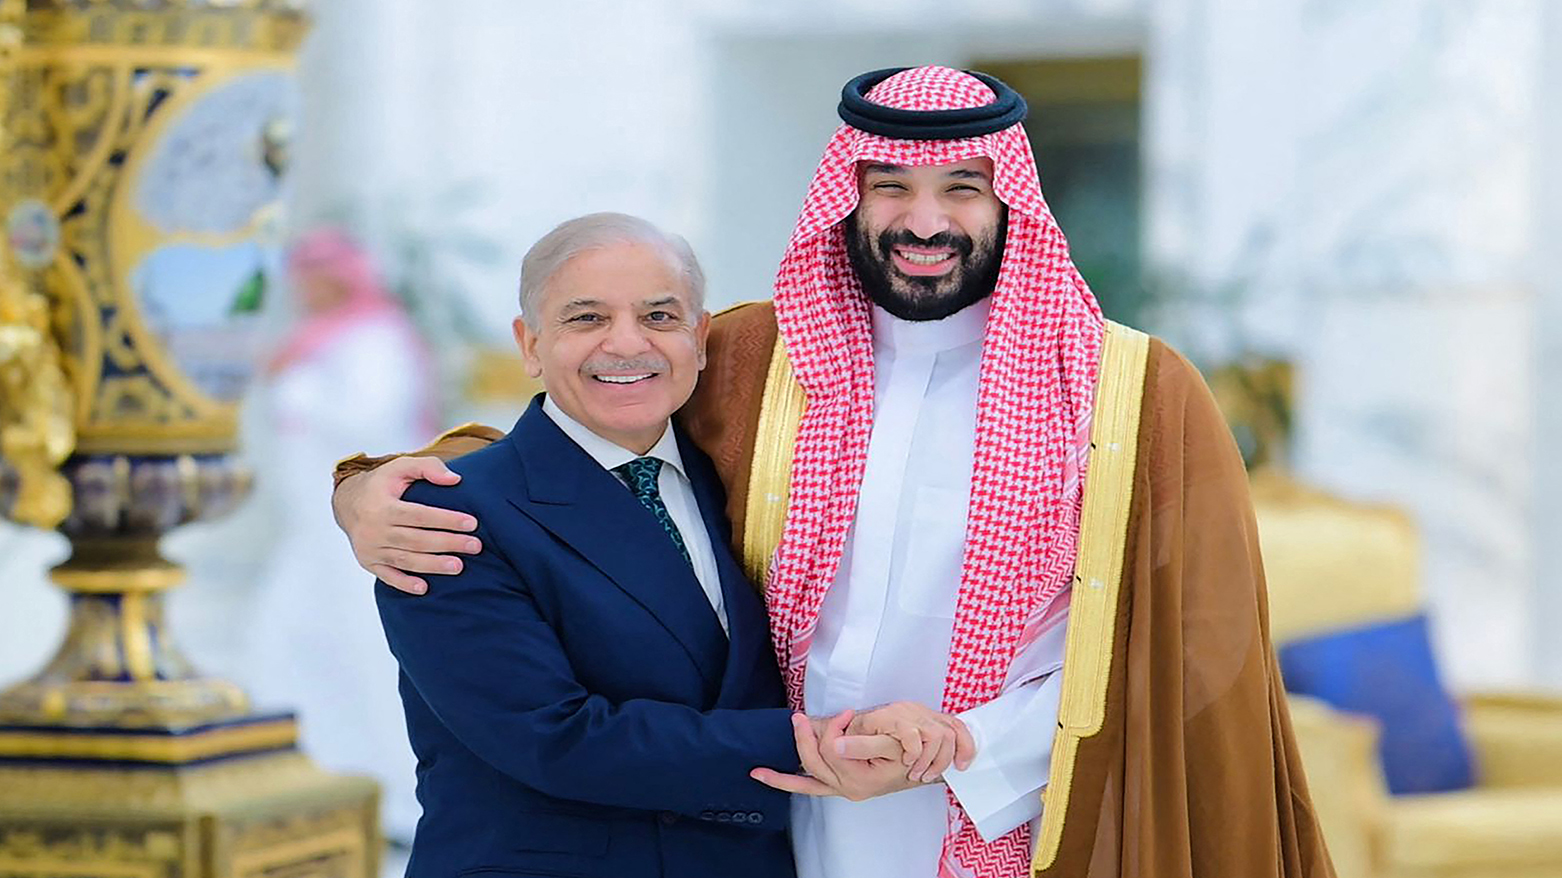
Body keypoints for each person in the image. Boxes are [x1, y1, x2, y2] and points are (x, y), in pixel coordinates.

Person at [333, 67, 1336, 878]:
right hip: (777, 817)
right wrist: (376, 485)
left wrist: (969, 745)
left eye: (961, 189)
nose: (922, 219)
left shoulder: (1133, 393)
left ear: (1009, 204)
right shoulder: (753, 358)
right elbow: (588, 433)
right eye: (889, 187)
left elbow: (1195, 646)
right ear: (846, 200)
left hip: (1019, 805)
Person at [372, 212, 968, 878]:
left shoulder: (746, 479)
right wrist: (821, 740)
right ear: (530, 344)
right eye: (587, 318)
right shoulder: (445, 513)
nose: (627, 345)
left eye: (659, 317)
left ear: (701, 336)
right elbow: (556, 738)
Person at [249, 228, 435, 842]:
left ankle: (394, 800)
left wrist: (297, 389)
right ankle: (302, 787)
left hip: (355, 537)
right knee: (293, 645)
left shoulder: (374, 337)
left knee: (367, 656)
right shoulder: (319, 340)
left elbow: (369, 421)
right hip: (310, 537)